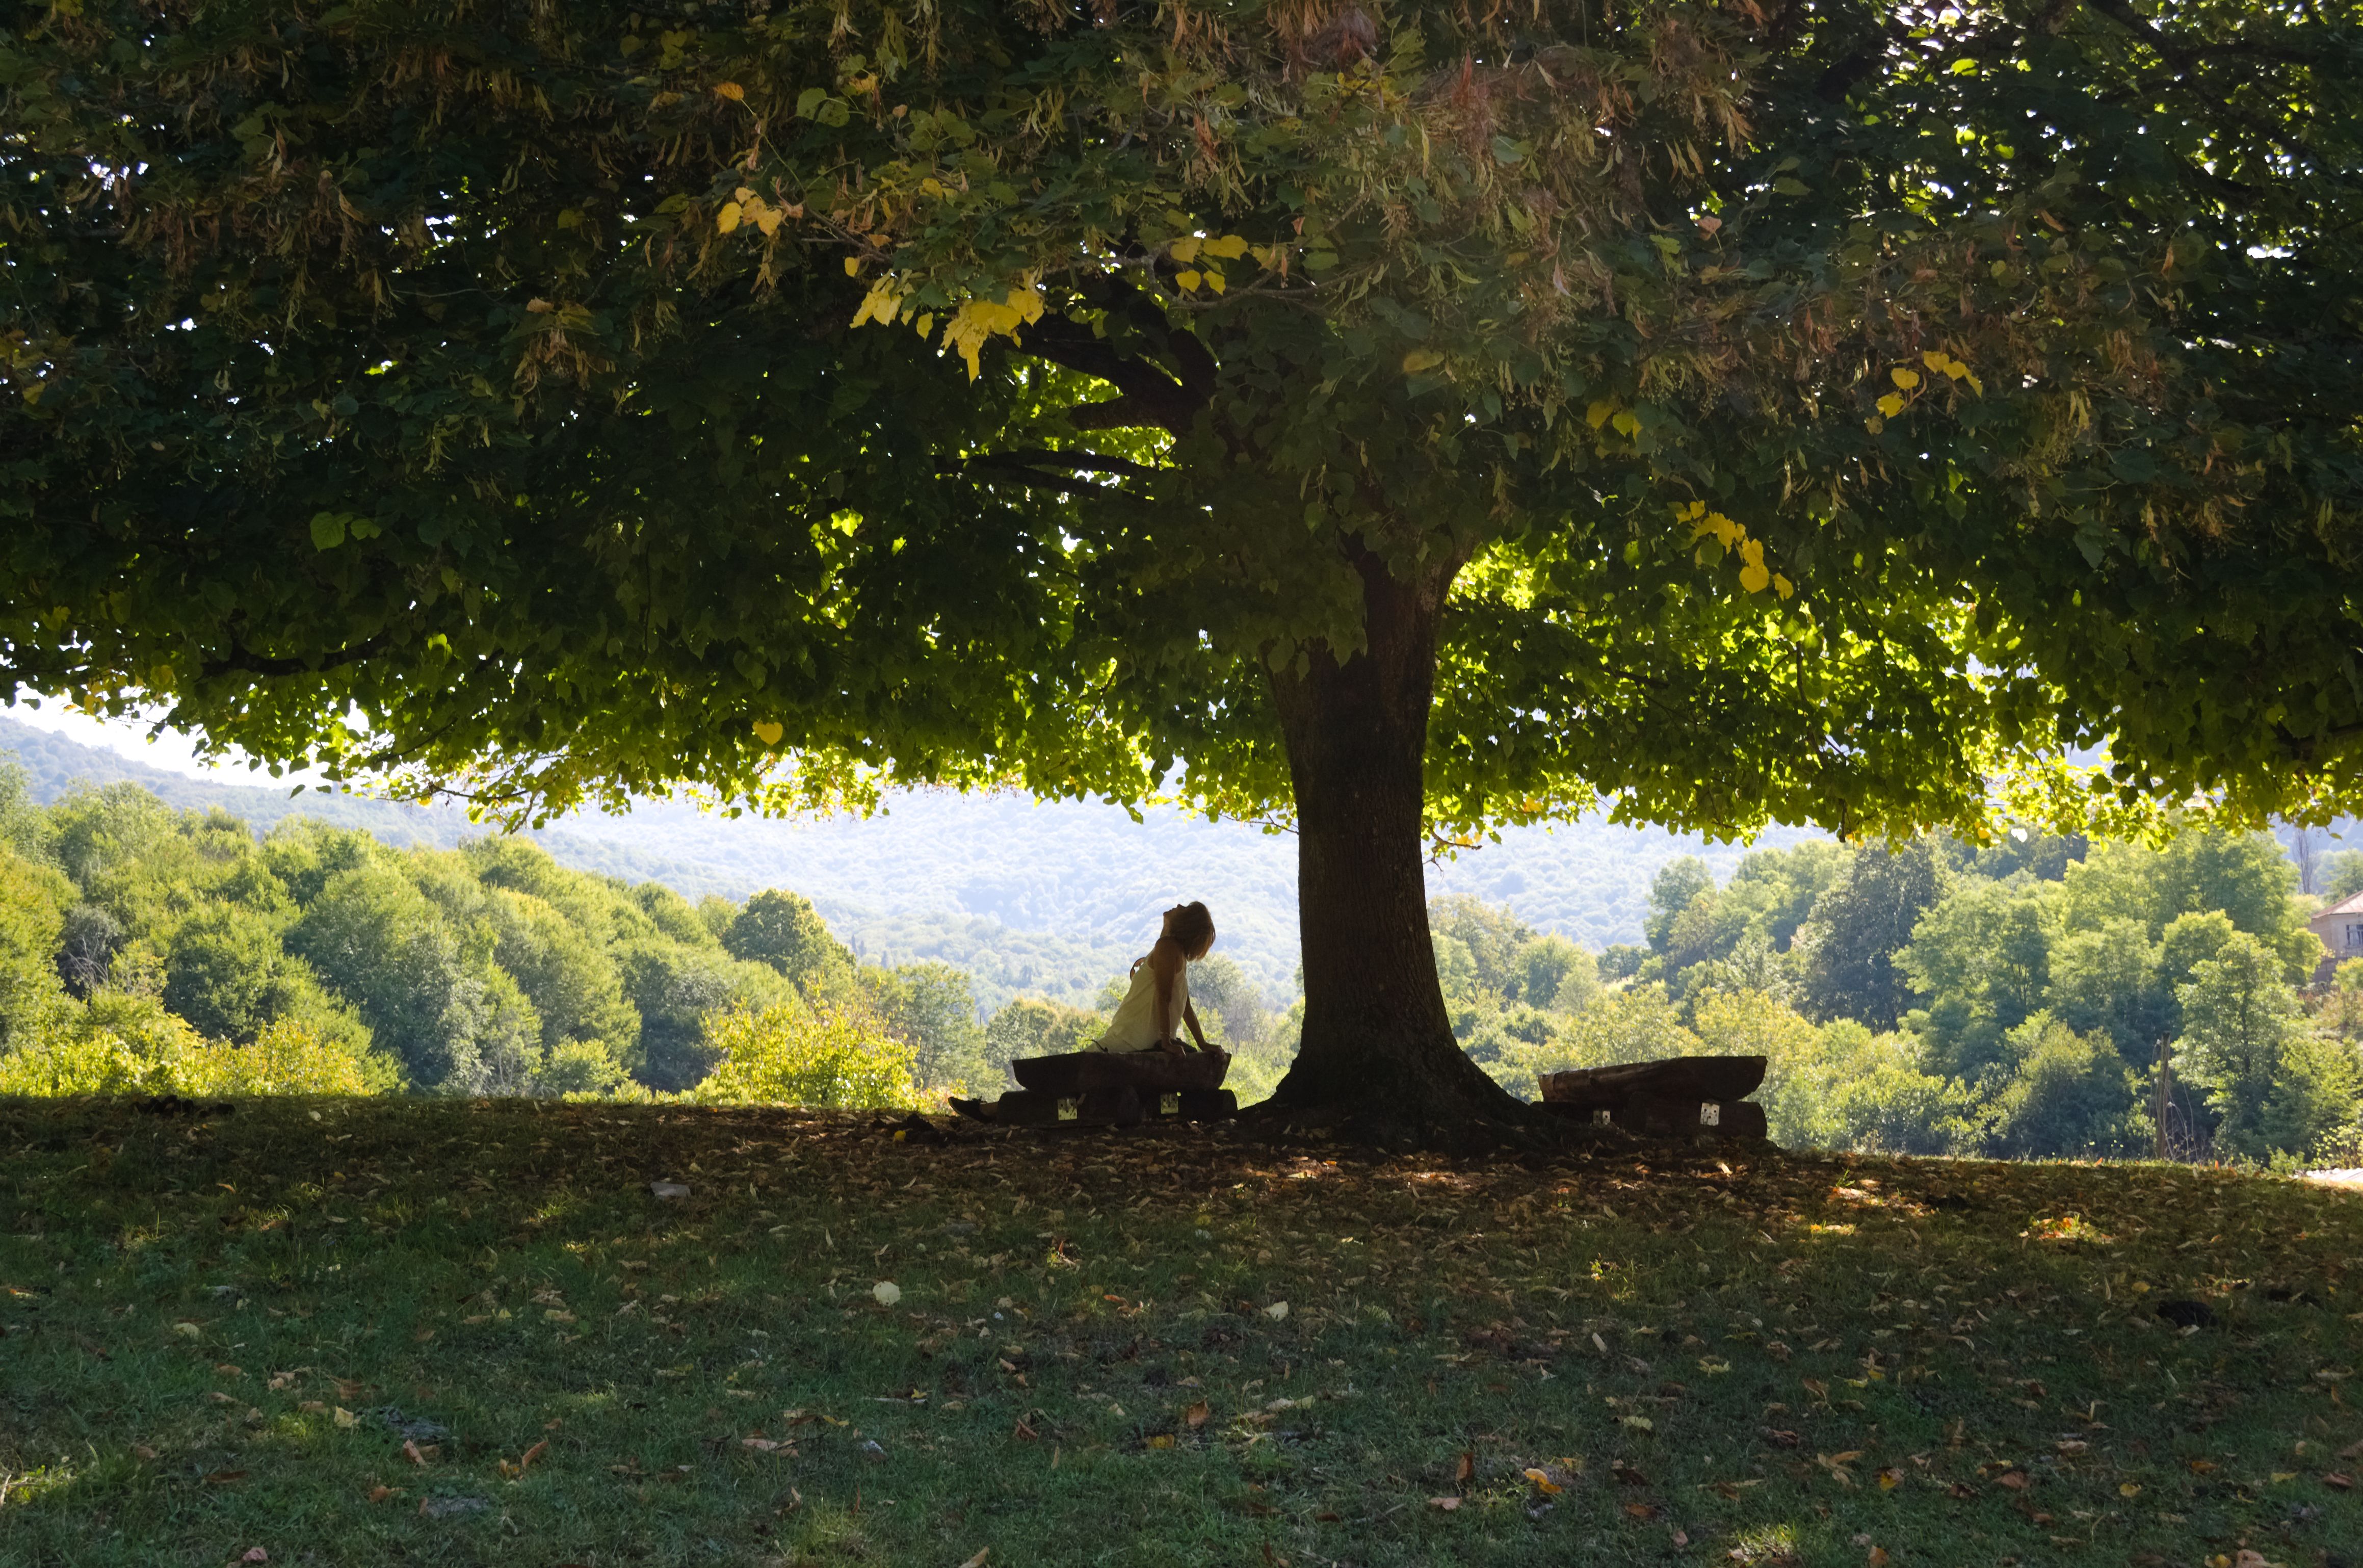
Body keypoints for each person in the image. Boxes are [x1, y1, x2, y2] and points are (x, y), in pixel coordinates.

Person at [1093, 902, 1219, 1057]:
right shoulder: (1175, 952)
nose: (1179, 906)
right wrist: (1202, 1044)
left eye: (1185, 909)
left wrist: (1166, 1042)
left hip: (1129, 1042)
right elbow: (1185, 1006)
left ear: (1186, 922)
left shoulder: (1167, 948)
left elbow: (1165, 997)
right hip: (1131, 1040)